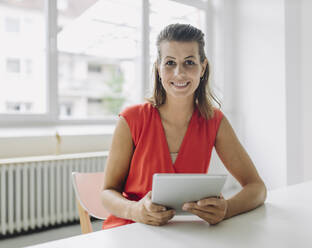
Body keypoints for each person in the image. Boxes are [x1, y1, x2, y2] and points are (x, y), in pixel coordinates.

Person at [101, 23, 267, 229]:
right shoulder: (131, 119)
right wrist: (134, 210)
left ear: (202, 67)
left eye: (189, 62)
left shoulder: (214, 121)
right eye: (170, 63)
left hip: (188, 231)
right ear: (158, 68)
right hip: (131, 228)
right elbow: (107, 192)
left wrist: (227, 209)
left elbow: (257, 188)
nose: (179, 73)